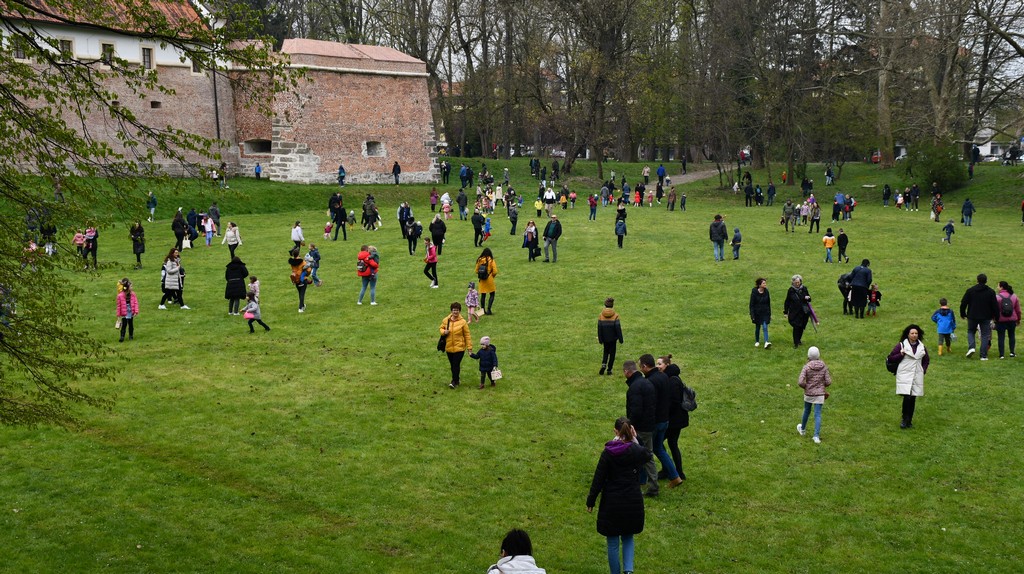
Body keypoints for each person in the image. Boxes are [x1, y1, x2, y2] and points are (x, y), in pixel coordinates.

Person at [586, 416, 652, 574]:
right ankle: (628, 571)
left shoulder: (608, 452)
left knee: (613, 542)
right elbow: (647, 455)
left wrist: (591, 500)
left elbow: (599, 478)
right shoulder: (636, 451)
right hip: (632, 499)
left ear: (615, 431)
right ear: (632, 431)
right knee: (628, 536)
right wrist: (637, 440)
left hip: (612, 502)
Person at [641, 354, 684, 489]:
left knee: (647, 450)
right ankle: (674, 475)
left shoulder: (658, 380)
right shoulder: (665, 378)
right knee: (659, 447)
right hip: (665, 420)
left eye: (660, 364)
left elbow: (654, 403)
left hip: (662, 421)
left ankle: (644, 480)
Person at [623, 360, 658, 497]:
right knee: (647, 455)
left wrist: (630, 426)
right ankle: (649, 484)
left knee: (638, 455)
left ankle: (638, 483)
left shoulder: (635, 387)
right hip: (649, 424)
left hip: (640, 428)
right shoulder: (646, 382)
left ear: (627, 371)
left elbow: (636, 410)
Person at [888, 324, 929, 429]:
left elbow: (926, 360)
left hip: (916, 375)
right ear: (908, 334)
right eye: (912, 333)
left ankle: (909, 420)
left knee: (913, 398)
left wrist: (923, 370)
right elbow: (891, 358)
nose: (914, 335)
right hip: (905, 374)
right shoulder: (901, 345)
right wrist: (900, 354)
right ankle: (904, 419)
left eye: (916, 333)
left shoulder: (922, 346)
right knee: (907, 397)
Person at [796, 346, 832, 444]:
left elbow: (800, 381)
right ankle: (816, 436)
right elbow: (828, 381)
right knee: (818, 415)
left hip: (809, 393)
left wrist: (806, 386)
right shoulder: (823, 366)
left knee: (806, 411)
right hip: (820, 394)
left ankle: (802, 430)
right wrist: (821, 385)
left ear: (808, 355)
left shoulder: (806, 367)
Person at [960, 273, 998, 359]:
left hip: (972, 315)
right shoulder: (991, 292)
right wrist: (996, 317)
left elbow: (963, 303)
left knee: (971, 331)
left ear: (977, 280)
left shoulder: (970, 290)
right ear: (986, 281)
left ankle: (972, 347)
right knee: (985, 335)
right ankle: (983, 355)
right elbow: (995, 306)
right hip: (986, 316)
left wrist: (963, 313)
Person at [441, 302, 472, 388]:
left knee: (455, 364)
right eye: (454, 310)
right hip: (449, 347)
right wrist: (444, 332)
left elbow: (467, 335)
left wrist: (469, 348)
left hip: (460, 348)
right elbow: (441, 328)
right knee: (453, 366)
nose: (455, 312)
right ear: (451, 311)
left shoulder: (463, 322)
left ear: (459, 311)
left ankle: (453, 382)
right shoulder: (446, 320)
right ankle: (457, 380)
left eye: (457, 310)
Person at [784, 274, 812, 348]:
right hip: (794, 312)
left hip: (804, 312)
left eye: (798, 282)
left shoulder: (804, 289)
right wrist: (786, 312)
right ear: (793, 282)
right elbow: (787, 301)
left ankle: (799, 340)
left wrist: (808, 298)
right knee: (796, 327)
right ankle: (795, 343)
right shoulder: (791, 290)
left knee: (801, 327)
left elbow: (809, 299)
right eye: (795, 282)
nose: (797, 284)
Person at [995, 281, 1021, 359]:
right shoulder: (1014, 296)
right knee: (1012, 335)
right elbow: (1018, 310)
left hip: (1000, 320)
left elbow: (994, 310)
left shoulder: (997, 297)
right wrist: (1018, 319)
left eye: (998, 286)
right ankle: (1012, 352)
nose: (997, 287)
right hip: (1012, 319)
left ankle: (1001, 354)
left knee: (1001, 337)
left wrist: (994, 318)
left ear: (1001, 287)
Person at [750, 277, 772, 348]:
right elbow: (752, 304)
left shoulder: (766, 291)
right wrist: (752, 314)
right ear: (759, 284)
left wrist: (769, 314)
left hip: (765, 312)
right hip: (757, 313)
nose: (765, 284)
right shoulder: (754, 292)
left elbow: (768, 303)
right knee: (758, 327)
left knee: (765, 326)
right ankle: (757, 341)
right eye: (763, 283)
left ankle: (766, 341)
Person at [115, 278, 139, 342]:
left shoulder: (133, 294)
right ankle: (122, 336)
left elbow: (135, 303)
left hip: (130, 311)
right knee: (124, 325)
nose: (132, 287)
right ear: (127, 287)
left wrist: (136, 311)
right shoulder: (120, 296)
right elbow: (119, 306)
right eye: (131, 286)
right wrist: (118, 314)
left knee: (131, 324)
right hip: (124, 312)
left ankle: (131, 336)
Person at [475, 248, 498, 314]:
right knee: (492, 294)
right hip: (489, 278)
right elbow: (495, 271)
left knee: (483, 295)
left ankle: (482, 310)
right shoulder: (491, 260)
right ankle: (489, 309)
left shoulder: (479, 260)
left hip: (482, 280)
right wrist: (492, 276)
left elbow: (476, 270)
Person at [288, 247, 311, 313]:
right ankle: (300, 308)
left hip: (295, 279)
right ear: (298, 254)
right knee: (302, 294)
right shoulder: (302, 262)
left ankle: (303, 305)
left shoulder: (292, 262)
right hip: (303, 279)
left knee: (300, 293)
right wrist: (307, 274)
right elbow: (308, 269)